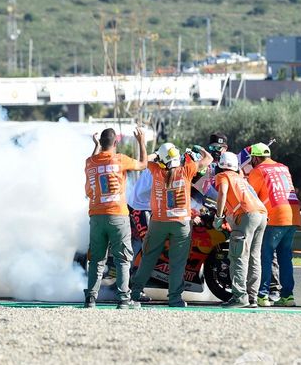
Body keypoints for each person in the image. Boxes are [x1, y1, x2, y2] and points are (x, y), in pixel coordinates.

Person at [130, 143, 212, 307]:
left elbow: (142, 161)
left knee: (148, 259)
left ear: (162, 159)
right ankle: (175, 299)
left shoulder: (156, 170)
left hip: (158, 222)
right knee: (178, 263)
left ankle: (135, 292)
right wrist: (199, 149)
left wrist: (155, 155)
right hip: (181, 223)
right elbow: (208, 158)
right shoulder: (187, 169)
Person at [84, 127, 147, 309]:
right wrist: (141, 141)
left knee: (96, 258)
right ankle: (123, 299)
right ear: (116, 143)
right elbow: (143, 164)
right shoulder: (120, 160)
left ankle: (91, 299)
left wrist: (95, 147)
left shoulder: (90, 162)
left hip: (96, 215)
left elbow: (92, 167)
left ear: (101, 143)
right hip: (118, 215)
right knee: (122, 258)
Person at [246, 143, 301, 307]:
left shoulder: (258, 171)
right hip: (293, 215)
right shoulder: (283, 168)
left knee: (265, 255)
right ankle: (287, 296)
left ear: (255, 158)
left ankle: (262, 295)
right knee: (285, 257)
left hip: (275, 216)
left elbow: (250, 194)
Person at [214, 151, 268, 308]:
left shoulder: (223, 176)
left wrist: (218, 217)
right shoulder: (241, 178)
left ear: (221, 166)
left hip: (247, 216)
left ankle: (239, 296)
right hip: (262, 214)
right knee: (254, 257)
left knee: (238, 255)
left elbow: (223, 193)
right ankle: (253, 297)